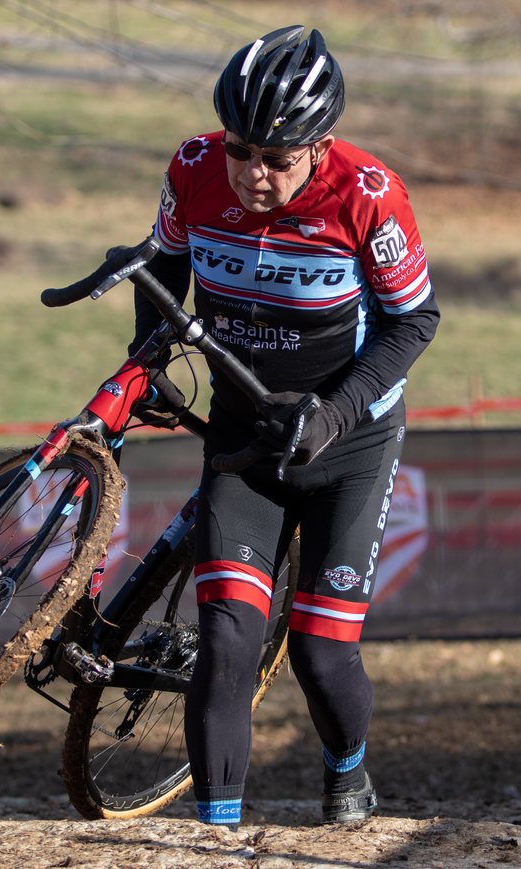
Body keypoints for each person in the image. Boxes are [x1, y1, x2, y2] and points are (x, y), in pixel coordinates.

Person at [126, 25, 439, 827]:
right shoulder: (194, 170)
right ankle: (215, 833)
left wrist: (333, 412)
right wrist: (149, 355)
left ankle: (347, 772)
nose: (253, 172)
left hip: (350, 440)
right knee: (227, 639)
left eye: (277, 157)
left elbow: (414, 323)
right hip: (245, 441)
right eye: (241, 148)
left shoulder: (368, 194)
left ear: (320, 144)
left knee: (319, 651)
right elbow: (161, 265)